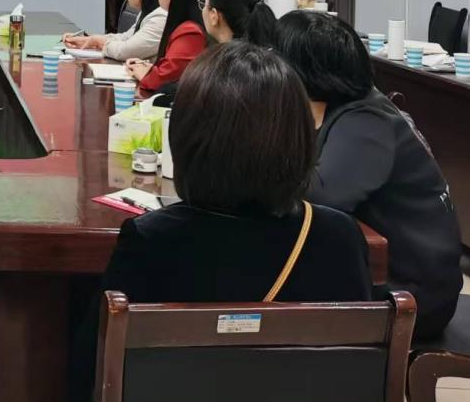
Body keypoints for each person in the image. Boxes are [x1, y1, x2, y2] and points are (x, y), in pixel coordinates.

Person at [103, 41, 372, 303]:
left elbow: (103, 332)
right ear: (298, 136)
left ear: (185, 137)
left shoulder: (151, 238)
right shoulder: (339, 237)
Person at [274, 11, 462, 338]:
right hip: (393, 276)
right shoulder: (348, 106)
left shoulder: (368, 121)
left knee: (272, 289)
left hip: (413, 294)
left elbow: (321, 196)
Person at [124, 0, 209, 96]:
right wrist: (148, 67)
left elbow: (164, 79)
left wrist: (143, 72)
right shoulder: (183, 24)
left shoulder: (190, 32)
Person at [65, 0, 166, 61]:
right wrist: (88, 40)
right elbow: (126, 38)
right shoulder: (147, 12)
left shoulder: (159, 19)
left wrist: (100, 42)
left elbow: (125, 52)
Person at [200, 0, 277, 46]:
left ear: (214, 16)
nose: (203, 10)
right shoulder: (268, 51)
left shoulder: (225, 55)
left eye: (204, 4)